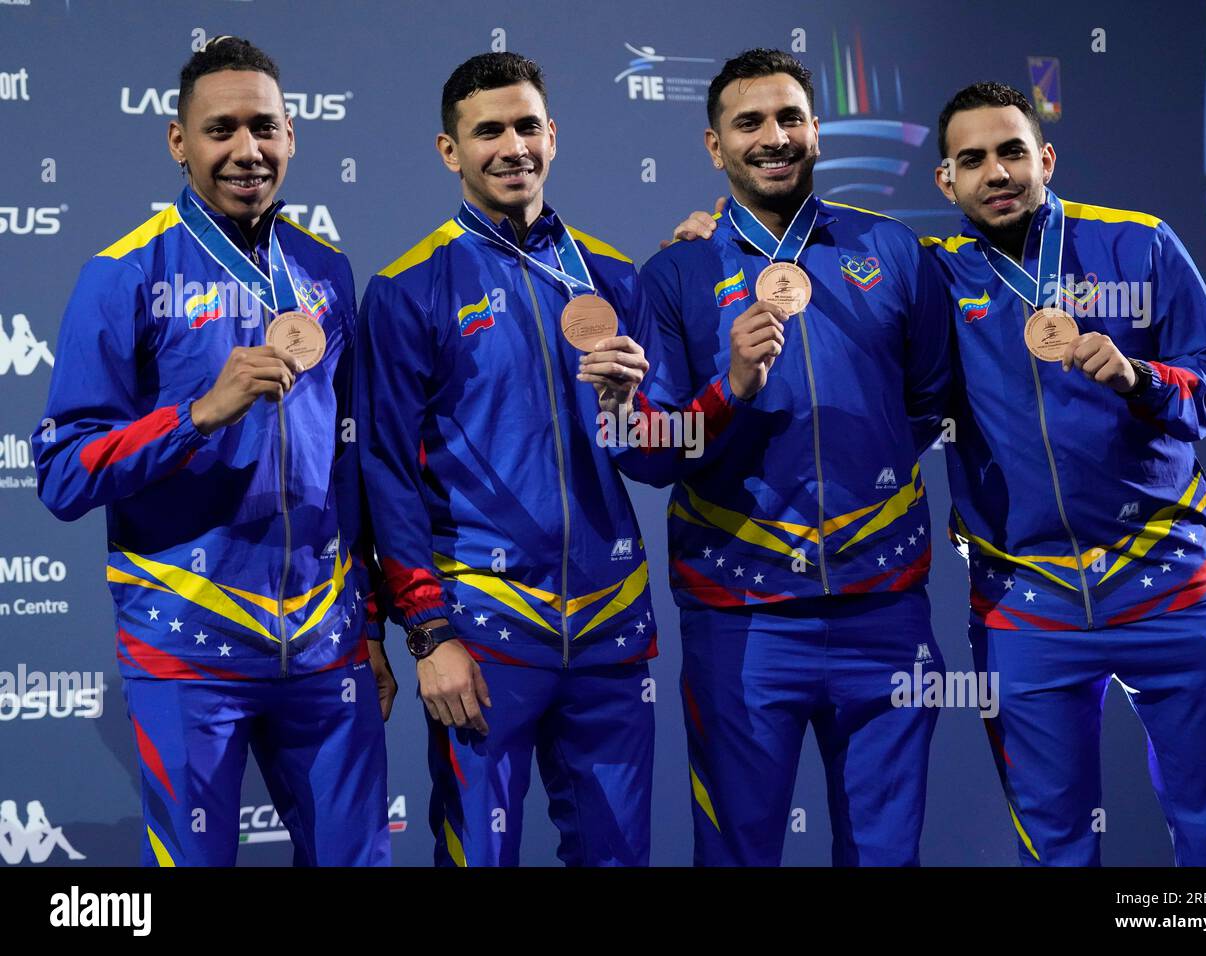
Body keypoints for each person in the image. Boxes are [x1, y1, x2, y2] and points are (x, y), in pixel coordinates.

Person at [33, 36, 393, 867]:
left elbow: (347, 466)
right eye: (220, 129)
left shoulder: (325, 270)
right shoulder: (121, 272)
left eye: (263, 128)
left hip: (323, 642)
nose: (246, 151)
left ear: (292, 135)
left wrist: (368, 619)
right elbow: (60, 471)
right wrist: (197, 415)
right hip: (187, 644)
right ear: (178, 141)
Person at [358, 52, 722, 866]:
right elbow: (385, 473)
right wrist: (427, 634)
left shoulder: (613, 274)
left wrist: (634, 412)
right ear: (450, 151)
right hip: (485, 629)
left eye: (527, 126)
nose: (511, 146)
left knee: (618, 857)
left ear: (553, 135)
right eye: (487, 131)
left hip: (609, 626)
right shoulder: (407, 287)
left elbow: (663, 461)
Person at [611, 49, 952, 866]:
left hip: (885, 612)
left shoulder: (895, 251)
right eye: (749, 122)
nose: (774, 138)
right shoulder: (673, 275)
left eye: (790, 118)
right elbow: (653, 454)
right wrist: (729, 386)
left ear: (815, 130)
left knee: (885, 857)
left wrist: (861, 508)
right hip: (741, 621)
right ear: (713, 145)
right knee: (737, 854)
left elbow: (930, 404)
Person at [921, 81, 1206, 865]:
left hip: (1167, 586)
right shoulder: (932, 274)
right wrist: (710, 244)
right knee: (1057, 847)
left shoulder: (1138, 244)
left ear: (1046, 157)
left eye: (1011, 151)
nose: (996, 173)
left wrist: (1142, 378)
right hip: (1027, 603)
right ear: (947, 180)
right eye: (973, 160)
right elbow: (831, 270)